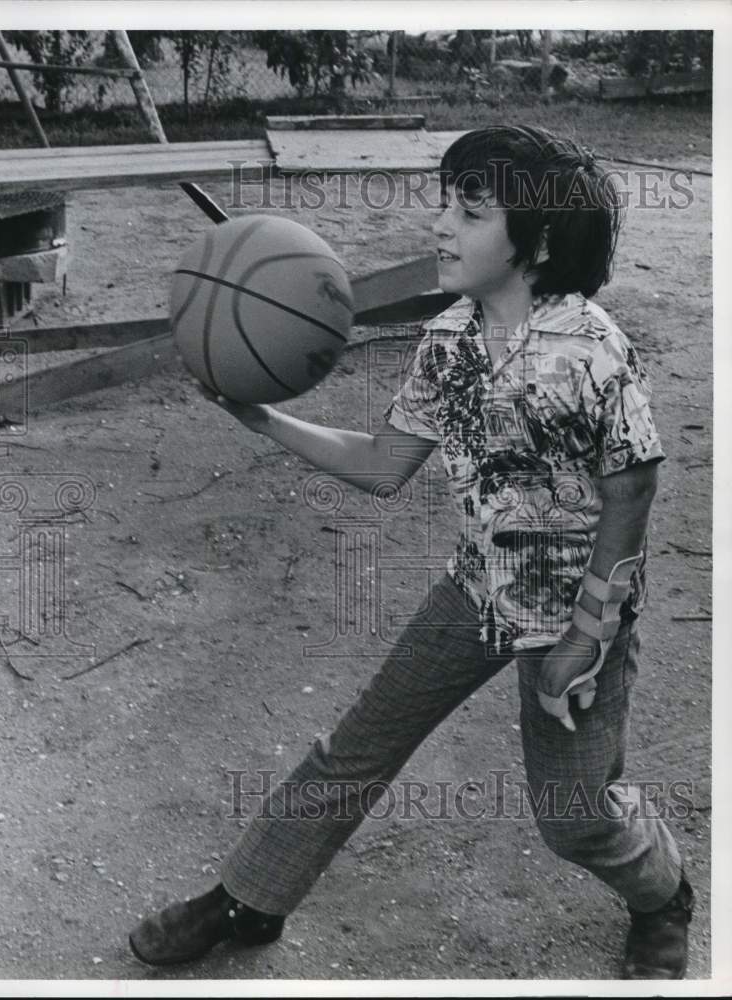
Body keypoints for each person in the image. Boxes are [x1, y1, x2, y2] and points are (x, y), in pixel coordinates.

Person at [129, 125, 694, 979]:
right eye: (445, 204)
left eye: (469, 212)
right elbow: (383, 463)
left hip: (577, 610)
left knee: (572, 811)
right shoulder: (449, 343)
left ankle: (663, 894)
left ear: (536, 242)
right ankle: (249, 899)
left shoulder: (591, 349)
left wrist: (588, 630)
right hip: (476, 592)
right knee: (356, 748)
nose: (440, 226)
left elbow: (633, 486)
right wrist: (261, 418)